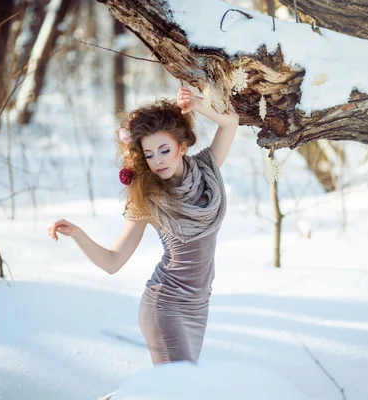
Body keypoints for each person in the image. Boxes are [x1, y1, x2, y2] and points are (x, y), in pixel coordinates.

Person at [48, 86, 239, 365]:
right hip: (165, 306)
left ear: (182, 147)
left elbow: (230, 121)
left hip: (199, 306)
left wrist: (196, 104)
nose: (157, 160)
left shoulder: (207, 171)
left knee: (178, 390)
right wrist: (78, 234)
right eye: (149, 155)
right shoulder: (148, 198)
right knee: (179, 390)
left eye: (164, 150)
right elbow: (113, 262)